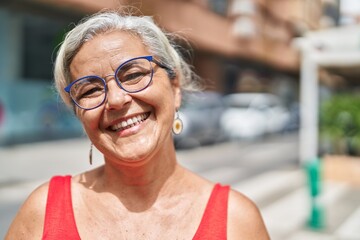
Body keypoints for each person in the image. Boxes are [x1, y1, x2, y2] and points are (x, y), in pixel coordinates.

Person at [6, 11, 270, 239]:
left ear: (175, 87)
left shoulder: (236, 221)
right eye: (90, 91)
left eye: (133, 75)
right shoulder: (43, 213)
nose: (117, 100)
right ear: (79, 114)